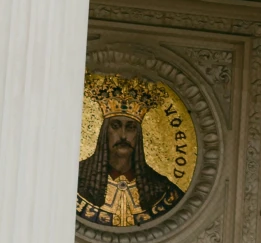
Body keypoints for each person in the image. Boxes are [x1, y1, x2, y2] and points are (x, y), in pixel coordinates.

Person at [77, 79, 185, 228]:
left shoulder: (163, 189)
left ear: (139, 135)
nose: (123, 136)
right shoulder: (75, 181)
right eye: (115, 126)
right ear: (104, 133)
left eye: (130, 127)